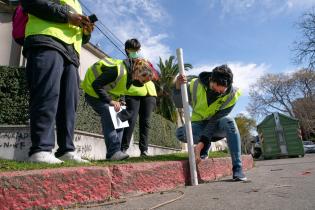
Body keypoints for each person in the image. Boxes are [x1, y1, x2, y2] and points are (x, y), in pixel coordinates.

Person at [21, 0, 94, 164]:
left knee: (69, 103)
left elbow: (80, 37)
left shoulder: (77, 3)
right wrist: (68, 16)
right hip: (47, 40)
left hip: (72, 54)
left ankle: (66, 150)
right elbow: (30, 3)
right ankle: (41, 149)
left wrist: (86, 31)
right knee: (47, 94)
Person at [173, 65, 247, 181]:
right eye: (214, 88)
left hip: (217, 125)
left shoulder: (232, 95)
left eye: (221, 91)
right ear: (210, 80)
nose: (217, 93)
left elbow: (214, 121)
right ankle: (206, 145)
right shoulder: (194, 85)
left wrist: (200, 145)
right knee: (181, 133)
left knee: (229, 121)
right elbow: (178, 103)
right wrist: (177, 86)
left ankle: (238, 169)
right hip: (199, 124)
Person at [81, 57, 156, 160]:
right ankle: (113, 152)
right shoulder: (118, 71)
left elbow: (117, 89)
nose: (142, 84)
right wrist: (110, 101)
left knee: (121, 117)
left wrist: (120, 100)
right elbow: (96, 85)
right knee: (107, 111)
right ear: (139, 72)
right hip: (92, 93)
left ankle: (117, 153)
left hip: (103, 95)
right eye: (143, 81)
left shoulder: (130, 78)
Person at [121, 39, 158, 156]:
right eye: (134, 50)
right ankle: (123, 149)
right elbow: (123, 79)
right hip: (133, 93)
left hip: (149, 94)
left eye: (138, 49)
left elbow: (155, 76)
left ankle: (144, 150)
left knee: (145, 122)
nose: (137, 52)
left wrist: (147, 67)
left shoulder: (145, 61)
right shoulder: (124, 63)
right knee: (130, 120)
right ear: (127, 50)